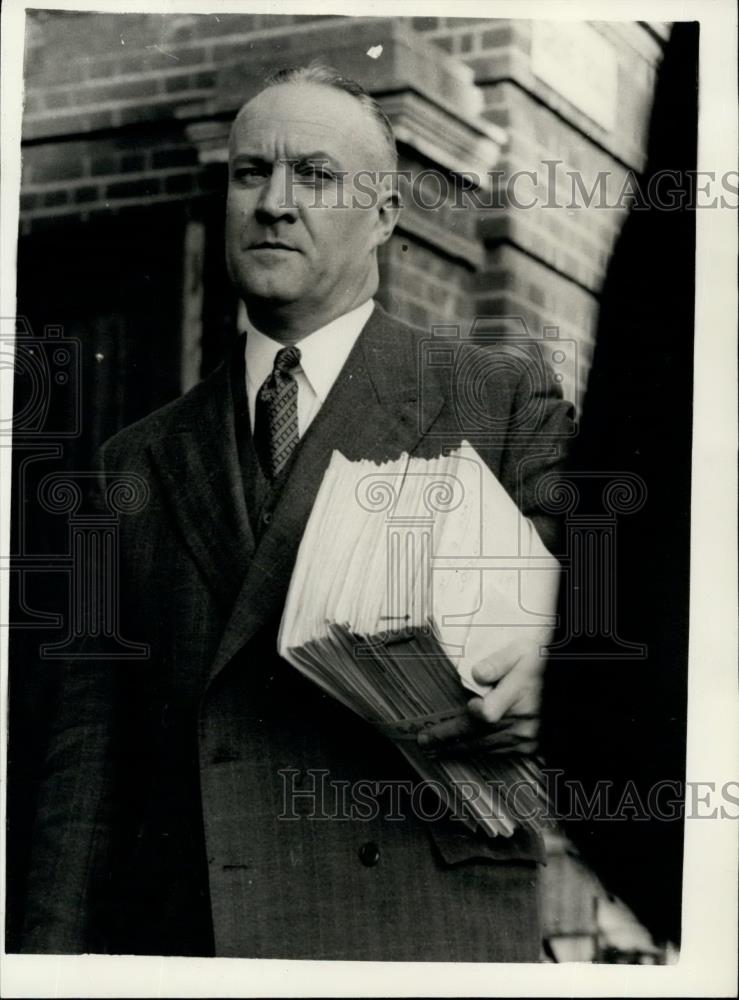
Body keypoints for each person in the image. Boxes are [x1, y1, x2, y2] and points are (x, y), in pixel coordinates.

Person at [21, 64, 574, 961]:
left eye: (315, 176)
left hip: (422, 931)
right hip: (197, 933)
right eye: (251, 173)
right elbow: (84, 758)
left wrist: (559, 677)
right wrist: (45, 964)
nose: (275, 203)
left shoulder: (493, 397)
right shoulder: (135, 458)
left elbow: (617, 625)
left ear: (386, 216)